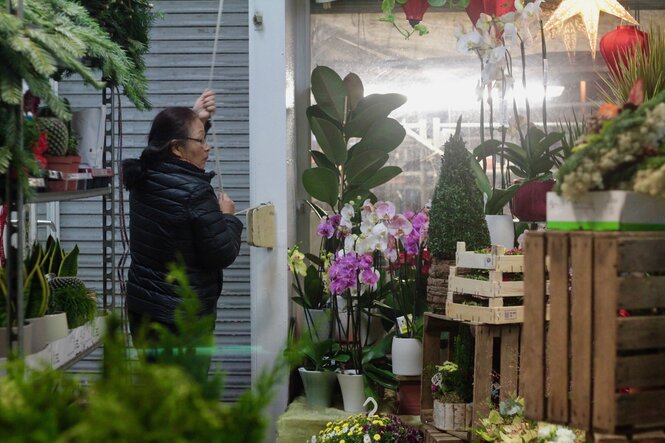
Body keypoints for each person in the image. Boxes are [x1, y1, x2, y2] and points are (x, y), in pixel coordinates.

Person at [122, 90, 243, 346]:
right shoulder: (196, 193)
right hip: (182, 321)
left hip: (143, 312)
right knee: (188, 386)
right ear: (177, 147)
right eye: (201, 140)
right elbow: (222, 254)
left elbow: (169, 147)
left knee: (154, 383)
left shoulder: (142, 175)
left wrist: (197, 118)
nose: (207, 146)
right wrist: (228, 218)